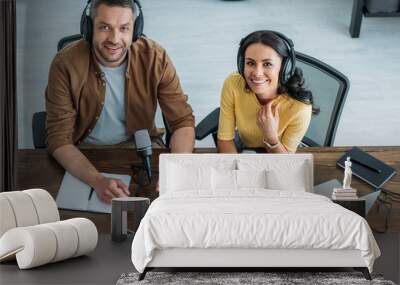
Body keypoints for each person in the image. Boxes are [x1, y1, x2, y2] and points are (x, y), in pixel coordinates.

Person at [45, 0, 195, 203]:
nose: (115, 39)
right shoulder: (65, 64)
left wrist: (175, 170)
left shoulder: (155, 57)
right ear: (89, 27)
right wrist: (97, 180)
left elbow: (182, 122)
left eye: (124, 28)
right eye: (104, 27)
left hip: (140, 152)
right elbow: (58, 139)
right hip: (84, 154)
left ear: (136, 29)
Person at [217, 30, 319, 153]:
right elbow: (225, 140)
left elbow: (285, 165)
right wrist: (237, 169)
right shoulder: (233, 84)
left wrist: (271, 137)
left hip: (279, 154)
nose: (257, 73)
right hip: (246, 149)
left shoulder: (300, 108)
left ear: (284, 68)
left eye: (267, 64)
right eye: (250, 63)